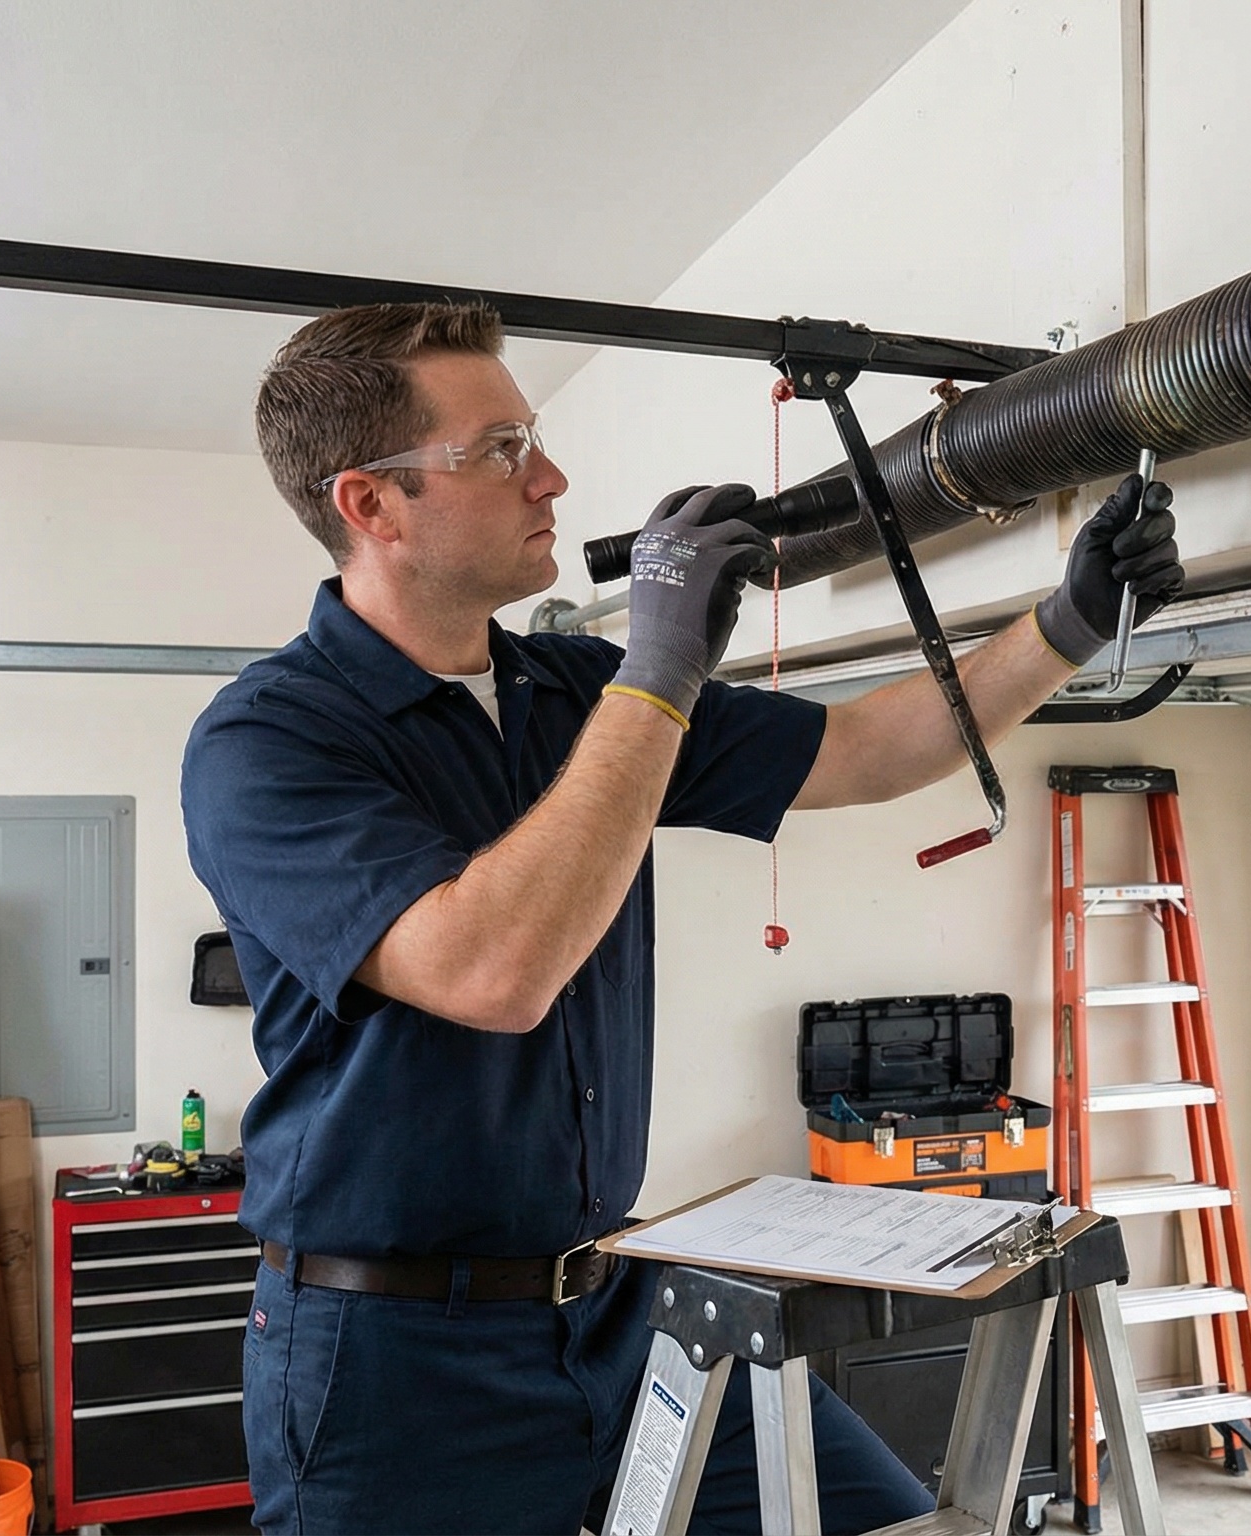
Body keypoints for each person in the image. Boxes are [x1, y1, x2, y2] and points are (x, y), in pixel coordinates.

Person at [181, 302, 1181, 1535]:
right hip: (391, 1364)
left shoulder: (569, 692)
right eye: (498, 451)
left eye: (532, 438)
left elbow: (865, 750)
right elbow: (493, 970)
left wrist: (1066, 623)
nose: (550, 476)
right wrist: (659, 667)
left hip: (615, 1300)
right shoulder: (268, 741)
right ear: (371, 505)